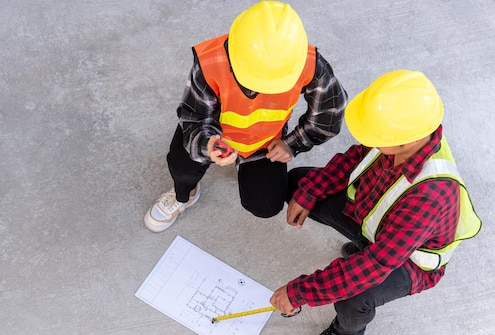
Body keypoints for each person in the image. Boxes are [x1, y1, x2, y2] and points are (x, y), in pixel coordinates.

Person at [270, 70, 482, 335]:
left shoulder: (429, 198)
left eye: (376, 138)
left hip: (408, 260)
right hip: (378, 228)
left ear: (403, 142)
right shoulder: (402, 135)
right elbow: (355, 159)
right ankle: (358, 242)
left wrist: (300, 292)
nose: (369, 141)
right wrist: (310, 192)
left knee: (354, 295)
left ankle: (347, 332)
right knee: (299, 184)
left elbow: (374, 265)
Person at [144, 1, 348, 232]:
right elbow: (194, 117)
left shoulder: (309, 64)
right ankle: (186, 194)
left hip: (265, 144)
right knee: (183, 168)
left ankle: (246, 169)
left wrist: (292, 144)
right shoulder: (211, 61)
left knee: (266, 206)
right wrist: (206, 144)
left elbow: (328, 117)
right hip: (213, 134)